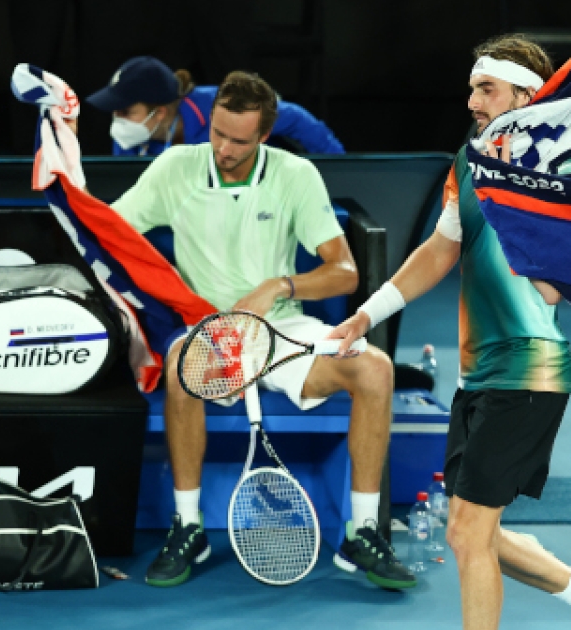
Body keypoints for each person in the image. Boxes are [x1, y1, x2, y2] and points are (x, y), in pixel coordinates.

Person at [327, 35, 571, 630]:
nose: (472, 102)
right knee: (474, 533)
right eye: (473, 88)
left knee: (467, 531)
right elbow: (440, 249)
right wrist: (367, 313)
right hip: (476, 375)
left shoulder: (565, 171)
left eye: (487, 89)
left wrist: (516, 200)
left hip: (528, 373)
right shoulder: (469, 161)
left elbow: (554, 288)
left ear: (526, 98)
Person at [109, 71, 413, 590]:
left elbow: (344, 272)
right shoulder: (175, 168)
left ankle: (362, 532)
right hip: (208, 328)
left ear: (265, 136)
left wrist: (280, 285)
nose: (223, 149)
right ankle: (188, 527)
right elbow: (111, 235)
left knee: (374, 369)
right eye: (217, 134)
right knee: (181, 369)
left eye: (239, 141)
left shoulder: (295, 175)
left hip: (280, 328)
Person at [88, 56, 345, 156]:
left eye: (126, 111)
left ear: (160, 112)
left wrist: (339, 172)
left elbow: (297, 119)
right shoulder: (128, 141)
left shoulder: (227, 105)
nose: (117, 120)